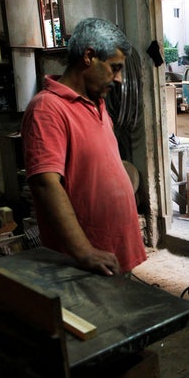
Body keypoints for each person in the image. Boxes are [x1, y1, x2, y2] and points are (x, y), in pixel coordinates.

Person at [21, 17, 147, 276]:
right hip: (87, 262)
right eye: (114, 68)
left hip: (114, 253)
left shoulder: (97, 104)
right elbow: (46, 184)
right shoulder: (48, 108)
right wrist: (83, 251)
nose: (120, 79)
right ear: (89, 56)